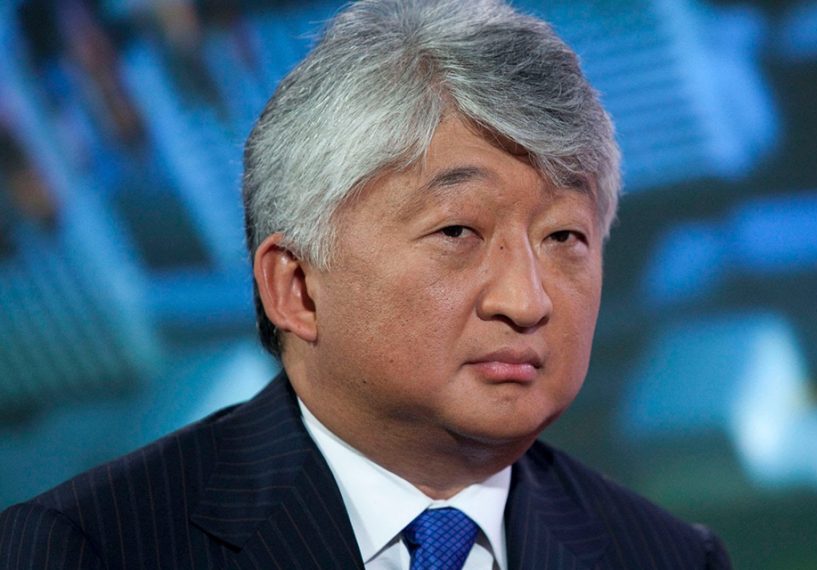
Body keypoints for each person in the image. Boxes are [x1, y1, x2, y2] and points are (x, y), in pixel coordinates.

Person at [0, 0, 732, 568]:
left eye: (564, 238)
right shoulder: (90, 548)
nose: (527, 301)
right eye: (458, 233)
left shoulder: (671, 560)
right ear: (295, 289)